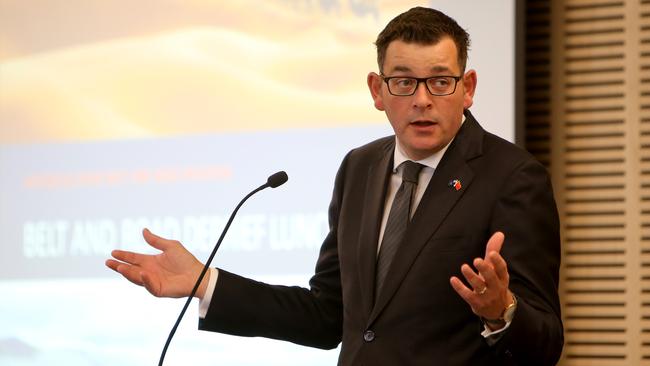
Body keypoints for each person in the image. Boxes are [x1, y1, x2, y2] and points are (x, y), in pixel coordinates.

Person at [106, 6, 563, 365]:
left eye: (440, 82)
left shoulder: (513, 178)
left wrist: (501, 313)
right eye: (404, 82)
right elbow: (329, 317)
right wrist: (209, 284)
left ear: (468, 87)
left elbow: (545, 345)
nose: (422, 99)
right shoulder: (360, 168)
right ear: (377, 90)